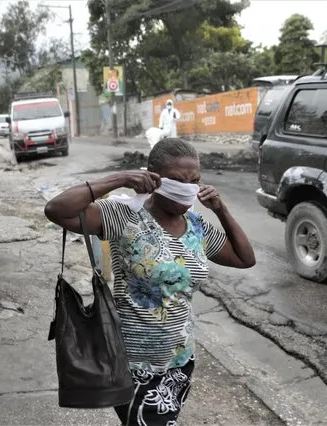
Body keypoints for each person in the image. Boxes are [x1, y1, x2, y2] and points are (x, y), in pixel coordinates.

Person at [44, 138, 255, 425]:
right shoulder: (126, 216)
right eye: (179, 180)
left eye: (195, 180)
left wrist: (220, 208)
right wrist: (120, 178)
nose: (188, 188)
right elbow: (57, 209)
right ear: (153, 176)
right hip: (133, 365)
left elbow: (244, 258)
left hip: (180, 361)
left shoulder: (196, 227)